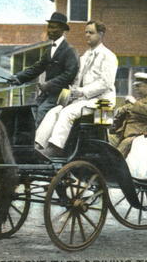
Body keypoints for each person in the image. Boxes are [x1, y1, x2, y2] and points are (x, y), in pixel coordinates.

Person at [35, 20, 118, 158]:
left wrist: (81, 92)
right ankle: (38, 146)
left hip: (102, 102)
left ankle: (56, 148)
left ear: (101, 34)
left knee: (68, 112)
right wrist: (69, 94)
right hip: (84, 100)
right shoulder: (84, 57)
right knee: (54, 111)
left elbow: (105, 83)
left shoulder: (108, 56)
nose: (87, 35)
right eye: (86, 32)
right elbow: (76, 81)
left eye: (91, 33)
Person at [7, 12, 79, 126]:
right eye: (49, 27)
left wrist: (49, 84)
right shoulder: (49, 50)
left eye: (53, 27)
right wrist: (18, 78)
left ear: (62, 29)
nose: (49, 30)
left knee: (39, 115)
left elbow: (70, 74)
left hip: (61, 95)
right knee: (30, 112)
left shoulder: (70, 51)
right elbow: (37, 67)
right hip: (47, 94)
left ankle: (36, 143)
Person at [110, 72, 147, 156]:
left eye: (138, 85)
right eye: (135, 86)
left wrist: (134, 103)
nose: (135, 88)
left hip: (138, 134)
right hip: (122, 132)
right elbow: (123, 111)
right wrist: (122, 109)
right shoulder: (139, 98)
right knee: (105, 143)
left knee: (117, 155)